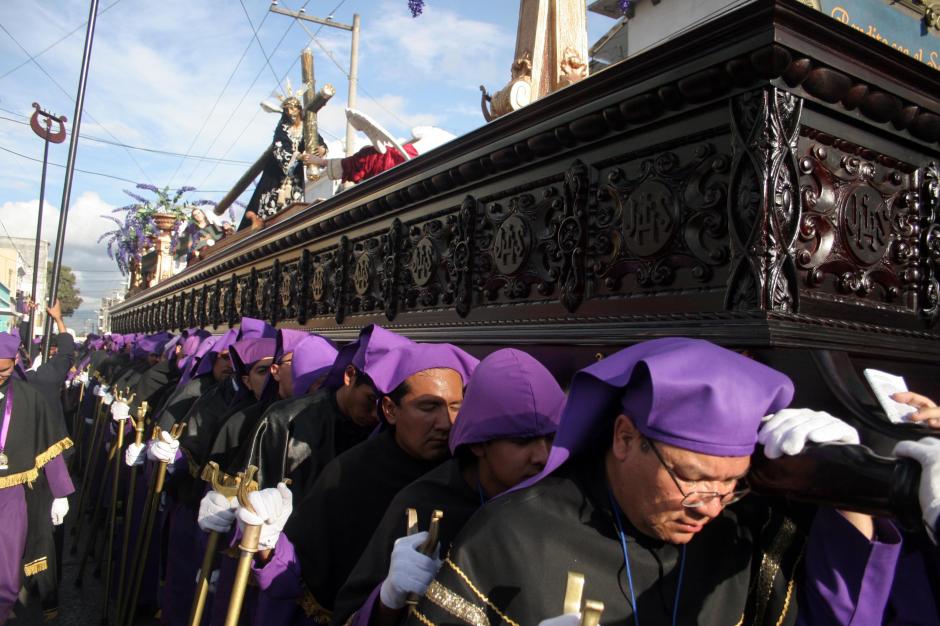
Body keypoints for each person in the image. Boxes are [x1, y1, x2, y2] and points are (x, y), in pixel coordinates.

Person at [406, 338, 901, 626]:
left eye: (733, 484)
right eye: (693, 478)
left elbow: (840, 615)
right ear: (625, 438)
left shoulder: (739, 525)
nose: (710, 506)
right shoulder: (511, 533)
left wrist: (843, 486)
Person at [235, 341, 478, 625]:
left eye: (455, 406)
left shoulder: (470, 475)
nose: (445, 423)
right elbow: (297, 576)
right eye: (429, 407)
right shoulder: (349, 474)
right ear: (389, 409)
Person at [334, 348, 564, 626]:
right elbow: (349, 617)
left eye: (551, 438)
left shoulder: (563, 501)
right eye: (522, 441)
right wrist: (387, 599)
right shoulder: (421, 505)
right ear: (480, 443)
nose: (542, 456)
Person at [0, 332, 73, 623]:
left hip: (12, 495)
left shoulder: (30, 397)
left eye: (3, 369)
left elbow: (50, 447)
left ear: (15, 360)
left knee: (6, 564)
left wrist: (60, 493)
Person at [239, 96, 326, 231]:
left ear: (299, 109)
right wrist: (298, 156)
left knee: (293, 199)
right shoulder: (282, 127)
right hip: (276, 170)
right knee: (268, 199)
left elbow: (317, 140)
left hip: (295, 173)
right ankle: (262, 221)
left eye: (293, 108)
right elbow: (280, 147)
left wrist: (321, 149)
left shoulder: (307, 127)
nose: (290, 112)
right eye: (287, 110)